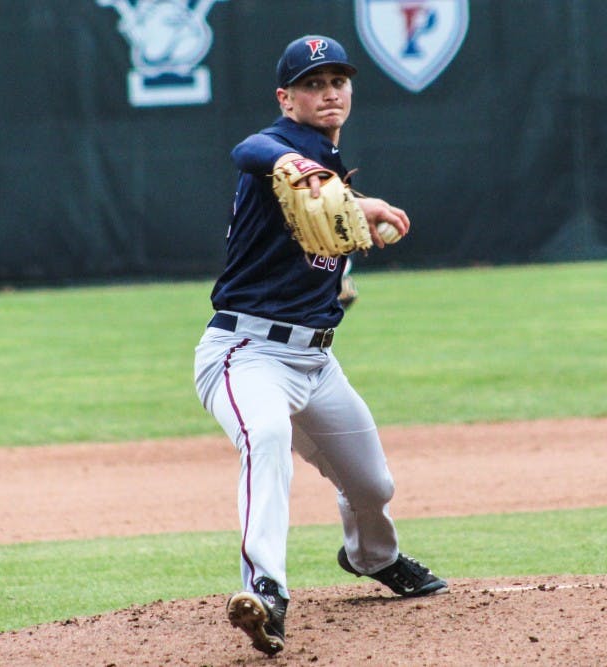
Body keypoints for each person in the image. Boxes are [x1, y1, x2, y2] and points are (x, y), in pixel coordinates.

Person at [193, 34, 448, 657]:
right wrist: (296, 163)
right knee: (266, 438)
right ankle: (266, 590)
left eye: (337, 81)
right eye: (312, 84)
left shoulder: (324, 163)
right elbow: (249, 150)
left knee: (373, 487)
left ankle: (372, 557)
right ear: (286, 98)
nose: (328, 92)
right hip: (246, 354)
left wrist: (363, 203)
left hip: (315, 361)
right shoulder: (280, 149)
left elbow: (319, 204)